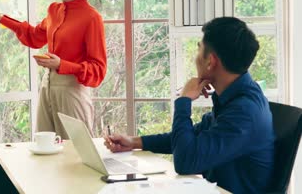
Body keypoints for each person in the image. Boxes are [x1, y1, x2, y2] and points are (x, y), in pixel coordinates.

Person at [104, 17, 274, 194]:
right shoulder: (237, 95)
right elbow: (190, 138)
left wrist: (184, 101)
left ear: (211, 61)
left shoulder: (244, 111)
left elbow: (185, 161)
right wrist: (134, 142)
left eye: (199, 50)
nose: (196, 57)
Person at [0, 0, 107, 139]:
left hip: (72, 91)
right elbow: (34, 37)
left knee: (75, 152)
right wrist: (1, 17)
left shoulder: (91, 18)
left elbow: (98, 70)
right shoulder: (54, 11)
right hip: (47, 86)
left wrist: (62, 65)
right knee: (44, 146)